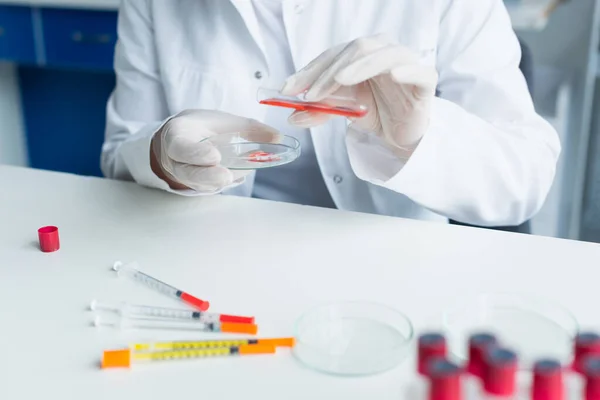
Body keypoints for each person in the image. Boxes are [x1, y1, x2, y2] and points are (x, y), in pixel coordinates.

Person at [102, 0, 560, 227]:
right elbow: (118, 160)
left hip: (392, 269)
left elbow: (523, 180)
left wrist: (417, 136)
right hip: (218, 258)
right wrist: (163, 157)